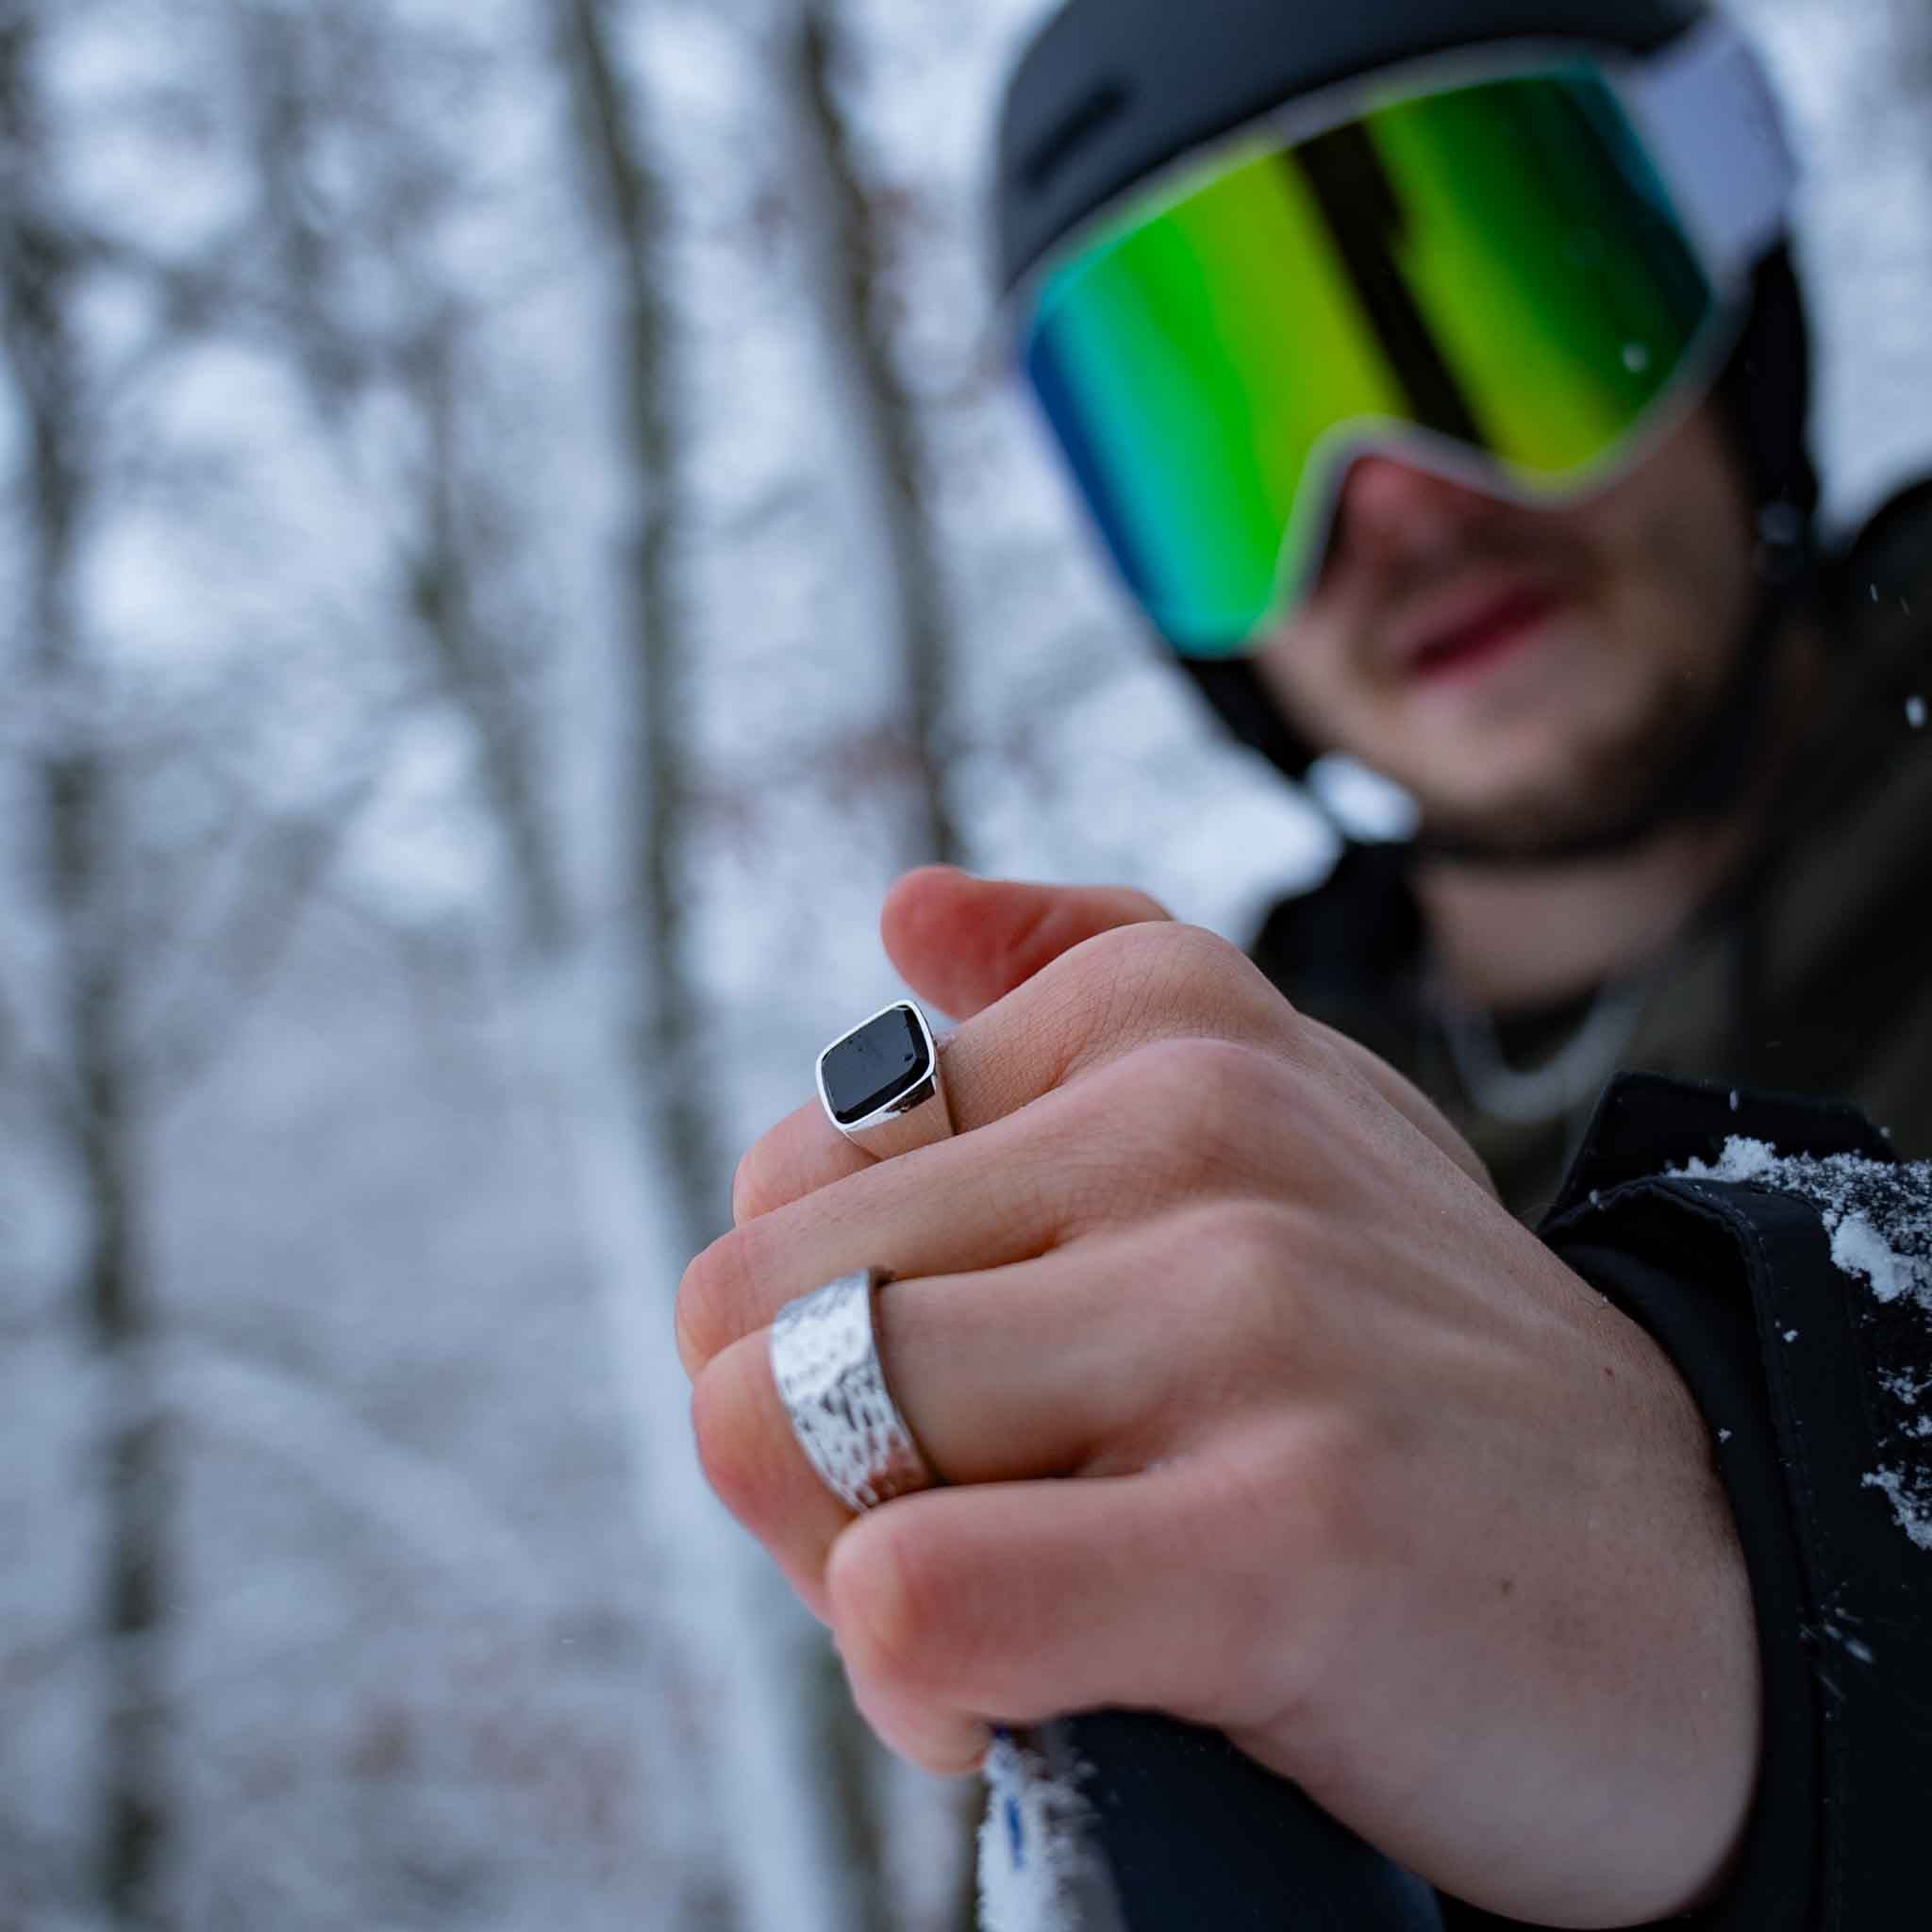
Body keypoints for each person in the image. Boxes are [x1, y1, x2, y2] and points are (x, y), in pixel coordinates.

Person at [677, 1, 1932, 1925]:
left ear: (1725, 290)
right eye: (1234, 426)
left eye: (1509, 306)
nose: (1395, 498)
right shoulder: (1180, 1165)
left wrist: (1773, 1566)